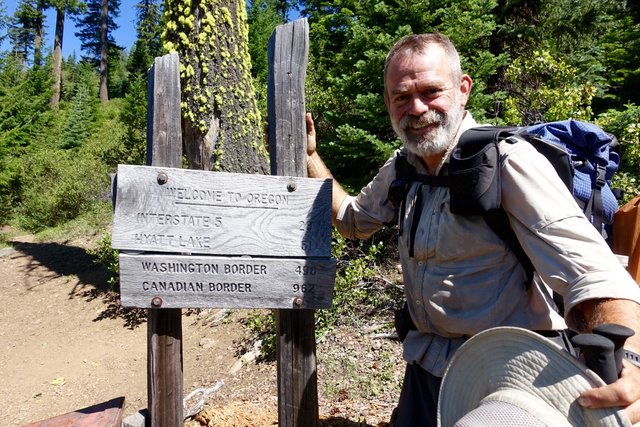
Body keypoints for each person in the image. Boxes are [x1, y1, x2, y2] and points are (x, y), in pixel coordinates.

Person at [305, 33, 640, 426]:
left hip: (512, 375)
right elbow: (353, 221)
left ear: (463, 90)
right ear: (388, 103)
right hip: (426, 368)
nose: (417, 109)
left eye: (432, 91)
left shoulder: (507, 163)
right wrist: (311, 156)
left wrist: (631, 357)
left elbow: (595, 273)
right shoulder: (403, 168)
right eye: (401, 97)